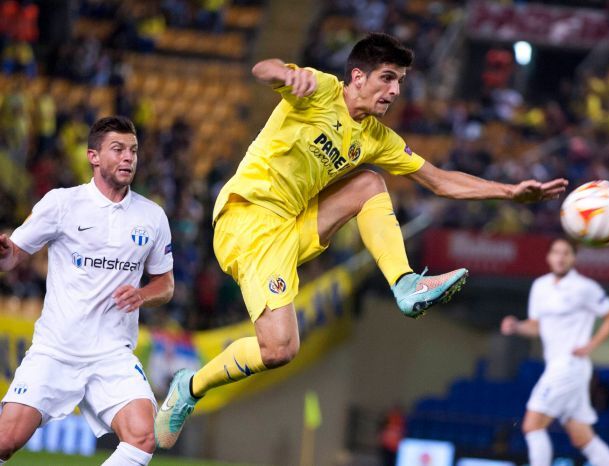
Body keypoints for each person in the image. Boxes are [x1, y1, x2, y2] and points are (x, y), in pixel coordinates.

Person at [155, 32, 568, 448]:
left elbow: (440, 181)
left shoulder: (375, 137)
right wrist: (284, 73)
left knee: (369, 183)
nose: (395, 90)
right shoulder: (321, 91)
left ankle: (404, 283)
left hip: (290, 229)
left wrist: (510, 192)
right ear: (357, 77)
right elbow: (262, 69)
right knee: (279, 347)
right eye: (387, 78)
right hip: (249, 218)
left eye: (400, 81)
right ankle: (189, 388)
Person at [0, 116, 174, 466]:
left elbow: (165, 284)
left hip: (112, 354)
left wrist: (142, 295)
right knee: (5, 441)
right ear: (93, 156)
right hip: (56, 350)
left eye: (133, 150)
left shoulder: (152, 216)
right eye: (118, 149)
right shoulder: (62, 203)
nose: (128, 157)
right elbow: (13, 254)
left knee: (144, 437)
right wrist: (6, 254)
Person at [501, 238, 609, 466]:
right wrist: (516, 326)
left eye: (566, 253)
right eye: (556, 252)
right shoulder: (540, 286)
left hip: (569, 366)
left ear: (573, 258)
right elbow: (536, 326)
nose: (560, 257)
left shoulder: (585, 287)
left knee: (532, 425)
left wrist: (591, 345)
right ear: (548, 257)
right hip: (558, 366)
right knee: (582, 438)